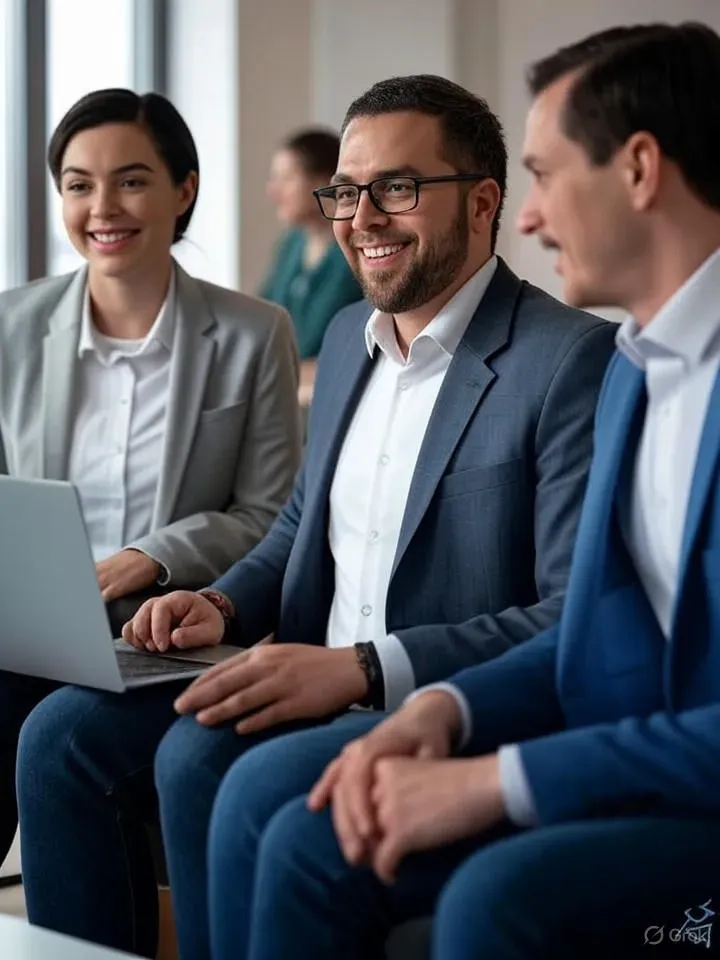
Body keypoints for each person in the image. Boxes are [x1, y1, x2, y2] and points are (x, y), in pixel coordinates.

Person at [17, 75, 615, 958]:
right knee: (60, 736)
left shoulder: (570, 360)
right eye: (345, 191)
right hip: (300, 668)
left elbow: (569, 617)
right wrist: (218, 603)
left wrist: (362, 669)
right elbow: (300, 527)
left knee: (196, 758)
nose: (361, 218)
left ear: (484, 202)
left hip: (426, 696)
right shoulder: (343, 339)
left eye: (397, 188)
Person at [201, 22, 720, 960]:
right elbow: (600, 630)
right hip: (604, 741)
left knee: (490, 901)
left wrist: (493, 772)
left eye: (546, 175)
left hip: (671, 784)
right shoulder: (643, 368)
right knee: (281, 825)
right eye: (347, 193)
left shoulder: (588, 360)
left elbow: (575, 625)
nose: (532, 216)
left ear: (640, 169)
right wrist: (448, 712)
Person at [0, 86, 300, 905]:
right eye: (78, 185)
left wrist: (151, 557)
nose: (103, 207)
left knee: (56, 735)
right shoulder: (12, 328)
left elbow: (271, 514)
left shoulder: (254, 333)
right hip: (31, 629)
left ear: (184, 189)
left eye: (131, 180)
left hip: (165, 635)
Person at [260, 128, 362, 403]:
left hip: (332, 392)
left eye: (287, 178)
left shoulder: (357, 251)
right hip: (287, 387)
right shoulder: (292, 244)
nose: (273, 192)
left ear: (323, 183)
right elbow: (263, 316)